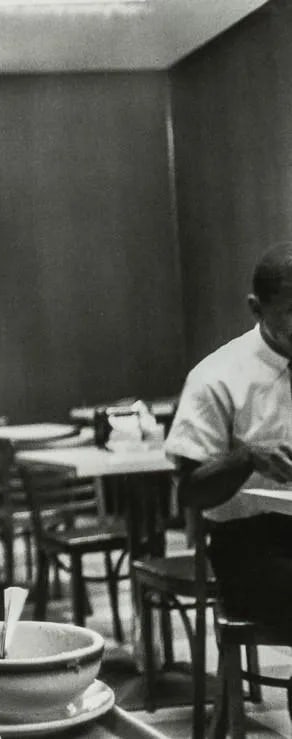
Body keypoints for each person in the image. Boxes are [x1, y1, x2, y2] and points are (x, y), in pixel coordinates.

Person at [164, 242, 292, 642]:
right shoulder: (217, 377)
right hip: (251, 544)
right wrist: (246, 458)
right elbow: (190, 492)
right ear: (256, 308)